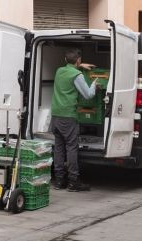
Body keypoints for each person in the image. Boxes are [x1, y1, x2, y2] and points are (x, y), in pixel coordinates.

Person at [51, 48, 99, 192]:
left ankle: (59, 180)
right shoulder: (77, 75)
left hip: (55, 115)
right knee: (71, 148)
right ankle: (73, 181)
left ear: (66, 60)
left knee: (59, 148)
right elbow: (88, 94)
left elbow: (70, 68)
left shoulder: (59, 71)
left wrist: (80, 65)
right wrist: (95, 83)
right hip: (68, 116)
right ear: (77, 61)